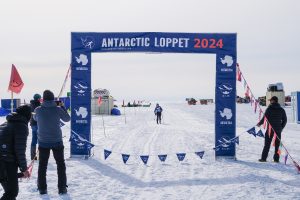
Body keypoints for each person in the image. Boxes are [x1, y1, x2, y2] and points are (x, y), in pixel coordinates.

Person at [34, 90, 70, 195]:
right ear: (53, 98)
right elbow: (67, 119)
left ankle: (42, 189)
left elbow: (35, 118)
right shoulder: (58, 109)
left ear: (43, 99)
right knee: (60, 165)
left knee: (42, 166)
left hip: (43, 141)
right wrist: (62, 107)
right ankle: (62, 188)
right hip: (57, 141)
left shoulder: (38, 109)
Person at [0, 105, 32, 200]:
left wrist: (22, 171)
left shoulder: (7, 123)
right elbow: (20, 150)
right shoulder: (21, 126)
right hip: (6, 161)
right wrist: (24, 169)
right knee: (11, 192)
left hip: (4, 161)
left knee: (10, 191)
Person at [257, 96, 287, 163]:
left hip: (270, 129)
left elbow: (264, 118)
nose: (270, 101)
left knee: (267, 144)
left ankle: (263, 158)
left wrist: (259, 123)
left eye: (270, 100)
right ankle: (276, 159)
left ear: (273, 101)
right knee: (277, 145)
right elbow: (285, 120)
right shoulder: (282, 109)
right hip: (278, 130)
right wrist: (281, 127)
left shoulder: (269, 109)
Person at [30, 93, 41, 160]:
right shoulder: (38, 105)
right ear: (38, 98)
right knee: (40, 139)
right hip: (38, 123)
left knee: (34, 139)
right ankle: (41, 155)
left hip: (33, 124)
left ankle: (33, 156)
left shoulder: (31, 105)